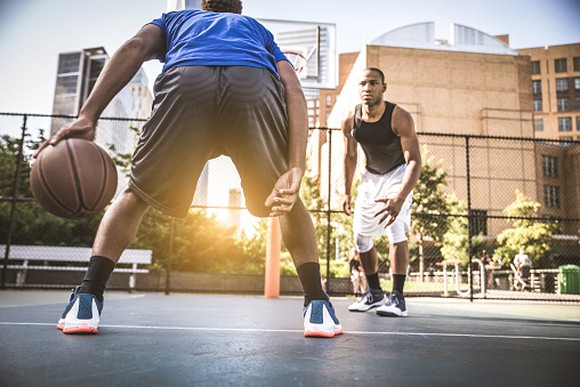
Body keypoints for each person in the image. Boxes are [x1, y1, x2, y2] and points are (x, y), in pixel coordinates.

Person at [35, 0, 341, 338]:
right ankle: (317, 305)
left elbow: (135, 47)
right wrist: (296, 167)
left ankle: (87, 299)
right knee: (285, 197)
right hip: (252, 85)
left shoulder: (175, 19)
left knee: (135, 194)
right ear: (237, 9)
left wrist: (88, 115)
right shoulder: (257, 31)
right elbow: (292, 88)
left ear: (204, 5)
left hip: (187, 82)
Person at [342, 67, 421, 317]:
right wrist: (347, 193)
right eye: (363, 84)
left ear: (383, 88)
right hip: (371, 177)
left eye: (374, 83)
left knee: (396, 230)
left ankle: (397, 297)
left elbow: (414, 162)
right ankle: (375, 293)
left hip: (398, 174)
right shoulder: (350, 120)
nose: (368, 88)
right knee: (360, 237)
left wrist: (400, 197)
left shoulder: (399, 117)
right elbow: (350, 156)